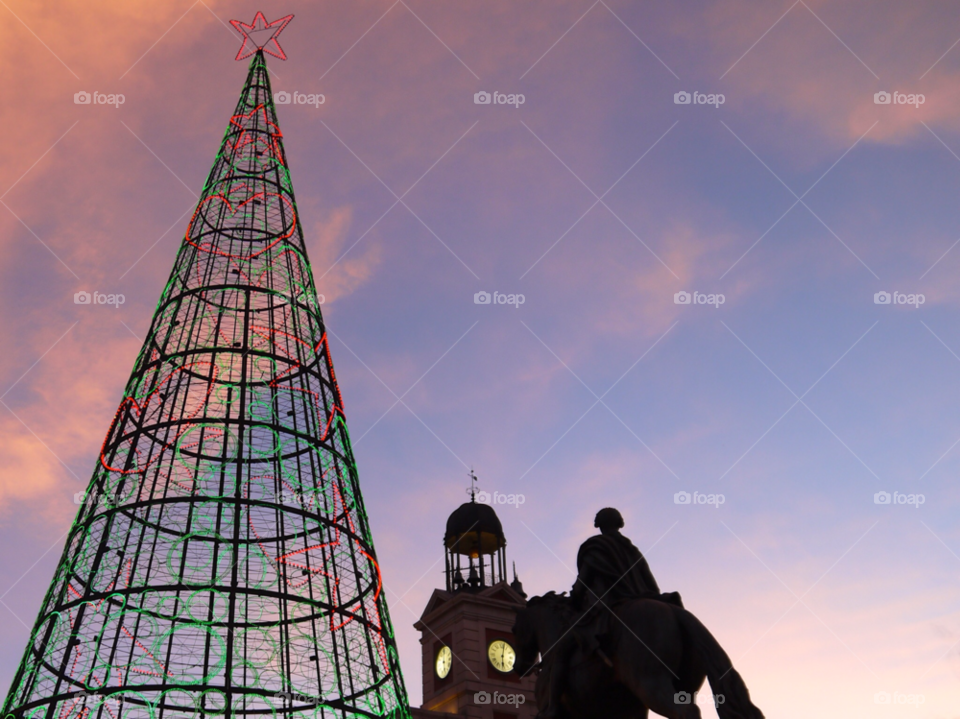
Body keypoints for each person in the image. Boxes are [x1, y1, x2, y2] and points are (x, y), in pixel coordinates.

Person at [540, 508, 679, 719]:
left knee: (561, 650)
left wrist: (575, 598)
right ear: (619, 523)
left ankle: (552, 708)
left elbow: (583, 582)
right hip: (636, 600)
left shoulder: (595, 547)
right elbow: (651, 585)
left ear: (599, 525)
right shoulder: (632, 550)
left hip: (605, 608)